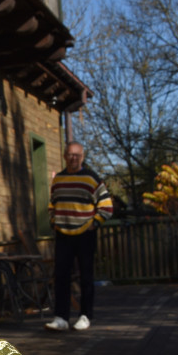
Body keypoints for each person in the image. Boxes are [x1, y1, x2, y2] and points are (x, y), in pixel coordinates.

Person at [45, 141, 113, 331]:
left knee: (86, 276)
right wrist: (53, 221)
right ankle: (61, 318)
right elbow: (52, 205)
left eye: (77, 155)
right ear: (64, 156)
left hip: (85, 234)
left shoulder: (91, 178)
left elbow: (107, 206)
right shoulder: (58, 180)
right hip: (63, 234)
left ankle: (85, 316)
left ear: (82, 157)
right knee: (61, 276)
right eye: (70, 154)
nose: (73, 158)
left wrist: (95, 223)